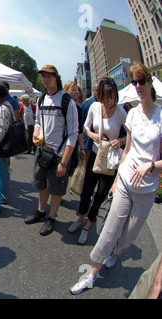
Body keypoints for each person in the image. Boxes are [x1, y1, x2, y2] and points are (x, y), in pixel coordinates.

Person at [70, 62, 162, 295]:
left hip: (147, 187)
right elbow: (128, 148)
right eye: (134, 82)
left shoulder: (161, 117)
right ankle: (91, 275)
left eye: (142, 81)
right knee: (110, 227)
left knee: (129, 234)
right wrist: (118, 175)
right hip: (124, 179)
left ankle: (115, 253)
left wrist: (152, 165)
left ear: (150, 82)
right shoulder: (131, 113)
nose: (138, 86)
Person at [68, 78, 127, 245]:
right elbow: (85, 128)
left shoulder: (121, 111)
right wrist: (94, 135)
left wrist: (120, 141)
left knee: (100, 195)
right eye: (104, 97)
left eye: (111, 97)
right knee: (86, 191)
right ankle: (80, 218)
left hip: (111, 160)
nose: (108, 101)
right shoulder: (94, 107)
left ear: (115, 95)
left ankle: (87, 226)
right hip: (95, 155)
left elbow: (131, 134)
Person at [24, 65, 79, 236]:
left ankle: (52, 218)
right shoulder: (40, 100)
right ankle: (41, 212)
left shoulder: (67, 101)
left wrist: (64, 161)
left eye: (49, 76)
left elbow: (73, 134)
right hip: (43, 152)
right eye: (43, 76)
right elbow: (38, 121)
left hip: (59, 155)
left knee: (56, 189)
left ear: (57, 78)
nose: (45, 79)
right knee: (42, 186)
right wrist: (36, 134)